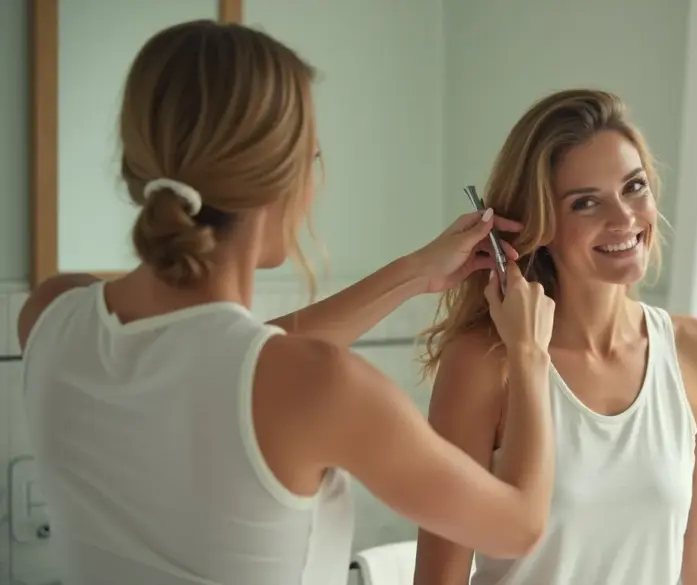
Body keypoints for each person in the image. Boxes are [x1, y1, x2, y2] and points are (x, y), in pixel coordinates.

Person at [16, 20, 557, 585]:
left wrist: (416, 272)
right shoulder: (320, 387)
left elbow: (212, 361)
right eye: (314, 158)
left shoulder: (51, 314)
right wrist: (528, 355)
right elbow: (516, 525)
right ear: (285, 180)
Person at [413, 89, 697, 585]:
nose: (625, 218)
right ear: (540, 223)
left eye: (634, 187)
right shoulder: (483, 364)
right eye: (586, 202)